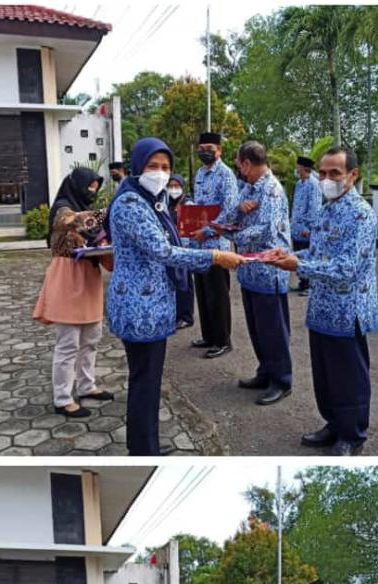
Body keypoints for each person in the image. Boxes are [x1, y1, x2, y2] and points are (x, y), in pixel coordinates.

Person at [106, 137, 243, 455]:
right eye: (153, 166)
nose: (160, 173)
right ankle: (143, 451)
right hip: (141, 307)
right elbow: (162, 250)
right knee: (145, 382)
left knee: (149, 382)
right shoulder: (131, 204)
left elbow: (168, 239)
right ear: (137, 167)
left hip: (148, 303)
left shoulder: (151, 201)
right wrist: (214, 257)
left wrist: (198, 238)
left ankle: (145, 444)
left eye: (166, 167)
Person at [267, 147, 378, 455]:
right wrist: (290, 256)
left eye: (335, 173)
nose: (327, 179)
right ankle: (333, 423)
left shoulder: (361, 214)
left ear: (352, 175)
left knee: (349, 376)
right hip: (322, 308)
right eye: (324, 173)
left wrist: (298, 266)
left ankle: (352, 435)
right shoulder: (326, 209)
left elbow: (347, 268)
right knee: (326, 374)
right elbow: (318, 254)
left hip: (347, 309)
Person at [33, 168, 114, 418]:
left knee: (91, 337)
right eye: (89, 186)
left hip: (89, 277)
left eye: (95, 188)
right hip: (67, 277)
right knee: (68, 343)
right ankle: (62, 398)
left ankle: (87, 386)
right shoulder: (63, 206)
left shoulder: (81, 207)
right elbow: (68, 220)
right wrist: (107, 214)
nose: (92, 191)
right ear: (77, 184)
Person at [231, 140, 293, 406]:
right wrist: (231, 218)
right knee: (257, 328)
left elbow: (266, 229)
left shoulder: (271, 190)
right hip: (250, 270)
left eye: (238, 163)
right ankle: (265, 371)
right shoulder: (248, 187)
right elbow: (235, 211)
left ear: (246, 163)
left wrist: (234, 234)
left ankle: (281, 380)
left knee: (273, 329)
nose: (238, 168)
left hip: (269, 270)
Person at [188, 132, 240, 358]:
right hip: (199, 245)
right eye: (201, 148)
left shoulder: (226, 175)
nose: (204, 151)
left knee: (218, 294)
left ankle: (222, 340)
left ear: (219, 150)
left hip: (216, 244)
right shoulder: (200, 173)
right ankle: (208, 335)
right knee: (203, 291)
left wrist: (207, 231)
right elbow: (199, 205)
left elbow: (229, 211)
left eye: (209, 147)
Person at [167, 174, 195, 330]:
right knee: (176, 282)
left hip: (184, 248)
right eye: (170, 185)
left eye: (176, 185)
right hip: (172, 248)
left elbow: (190, 229)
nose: (173, 188)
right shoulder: (169, 204)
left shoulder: (187, 204)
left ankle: (186, 316)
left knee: (185, 283)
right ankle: (177, 315)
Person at [290, 156, 322, 295]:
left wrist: (309, 228)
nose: (296, 169)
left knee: (309, 255)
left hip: (307, 228)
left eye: (297, 166)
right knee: (299, 255)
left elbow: (314, 208)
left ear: (303, 168)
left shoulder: (313, 184)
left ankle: (310, 285)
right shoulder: (299, 183)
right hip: (297, 226)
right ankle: (302, 283)